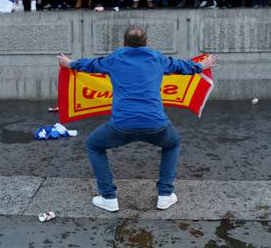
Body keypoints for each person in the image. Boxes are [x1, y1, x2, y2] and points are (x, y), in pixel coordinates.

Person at [57, 25, 218, 212]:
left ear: (124, 43)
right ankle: (165, 195)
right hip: (156, 125)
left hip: (121, 126)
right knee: (172, 143)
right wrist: (201, 66)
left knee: (94, 144)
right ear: (146, 43)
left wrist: (68, 63)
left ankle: (108, 197)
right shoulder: (157, 58)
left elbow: (89, 65)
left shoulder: (115, 58)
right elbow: (181, 66)